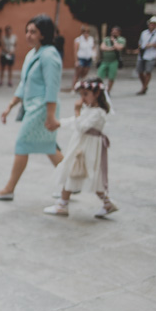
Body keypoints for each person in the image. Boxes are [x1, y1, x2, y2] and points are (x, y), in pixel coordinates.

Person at [0, 14, 64, 200]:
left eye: (33, 32)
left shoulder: (49, 55)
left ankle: (9, 189)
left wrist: (51, 115)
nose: (28, 35)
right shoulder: (33, 54)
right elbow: (24, 84)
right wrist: (11, 105)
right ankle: (71, 182)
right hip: (32, 107)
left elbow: (52, 87)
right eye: (27, 31)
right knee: (49, 147)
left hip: (42, 109)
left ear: (43, 35)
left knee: (22, 144)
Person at [44, 77, 118, 218]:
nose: (82, 98)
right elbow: (75, 121)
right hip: (81, 145)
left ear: (96, 94)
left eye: (86, 94)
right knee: (78, 173)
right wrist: (59, 124)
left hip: (86, 148)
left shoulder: (99, 113)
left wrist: (77, 111)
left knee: (75, 172)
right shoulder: (89, 109)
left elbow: (81, 127)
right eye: (81, 94)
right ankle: (107, 203)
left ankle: (62, 204)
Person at [136, 16, 156, 95]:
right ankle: (144, 85)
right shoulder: (144, 33)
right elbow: (140, 43)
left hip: (151, 55)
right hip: (142, 54)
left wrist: (152, 45)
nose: (152, 25)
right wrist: (140, 48)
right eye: (151, 24)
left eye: (153, 24)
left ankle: (144, 87)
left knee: (148, 71)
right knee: (140, 71)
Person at [97, 26, 126, 94]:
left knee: (111, 77)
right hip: (105, 61)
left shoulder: (121, 39)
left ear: (119, 32)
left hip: (114, 61)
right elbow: (102, 47)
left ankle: (108, 91)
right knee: (99, 76)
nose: (113, 33)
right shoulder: (106, 39)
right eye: (112, 31)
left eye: (115, 32)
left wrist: (114, 41)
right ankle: (99, 90)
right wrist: (111, 48)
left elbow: (119, 47)